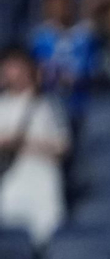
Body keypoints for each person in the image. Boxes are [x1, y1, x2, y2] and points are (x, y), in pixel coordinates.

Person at [0, 48, 69, 247]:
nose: (13, 72)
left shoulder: (47, 105)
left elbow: (62, 146)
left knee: (47, 238)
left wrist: (24, 142)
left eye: (18, 66)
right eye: (8, 67)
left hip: (43, 179)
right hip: (11, 180)